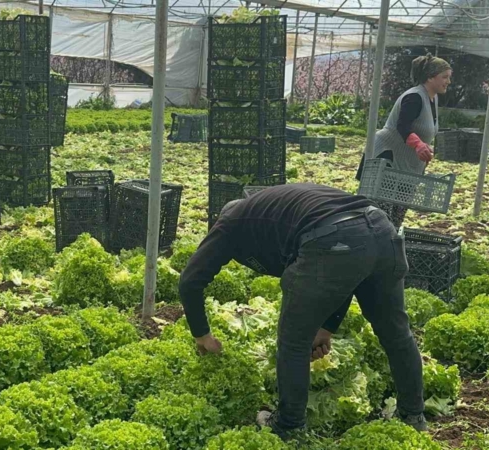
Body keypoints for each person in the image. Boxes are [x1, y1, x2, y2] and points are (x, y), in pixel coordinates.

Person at [178, 183, 426, 440]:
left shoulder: (229, 224)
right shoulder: (275, 211)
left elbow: (190, 281)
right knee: (396, 332)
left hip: (334, 236)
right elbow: (344, 274)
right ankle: (412, 415)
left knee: (294, 340)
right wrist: (326, 328)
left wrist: (202, 336)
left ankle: (288, 425)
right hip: (381, 231)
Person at [356, 53, 452, 229]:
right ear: (430, 77)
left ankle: (389, 250)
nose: (448, 81)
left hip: (406, 163)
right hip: (387, 158)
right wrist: (419, 144)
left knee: (397, 216)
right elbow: (403, 126)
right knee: (380, 215)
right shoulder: (414, 97)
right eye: (444, 77)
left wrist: (423, 147)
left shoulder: (432, 97)